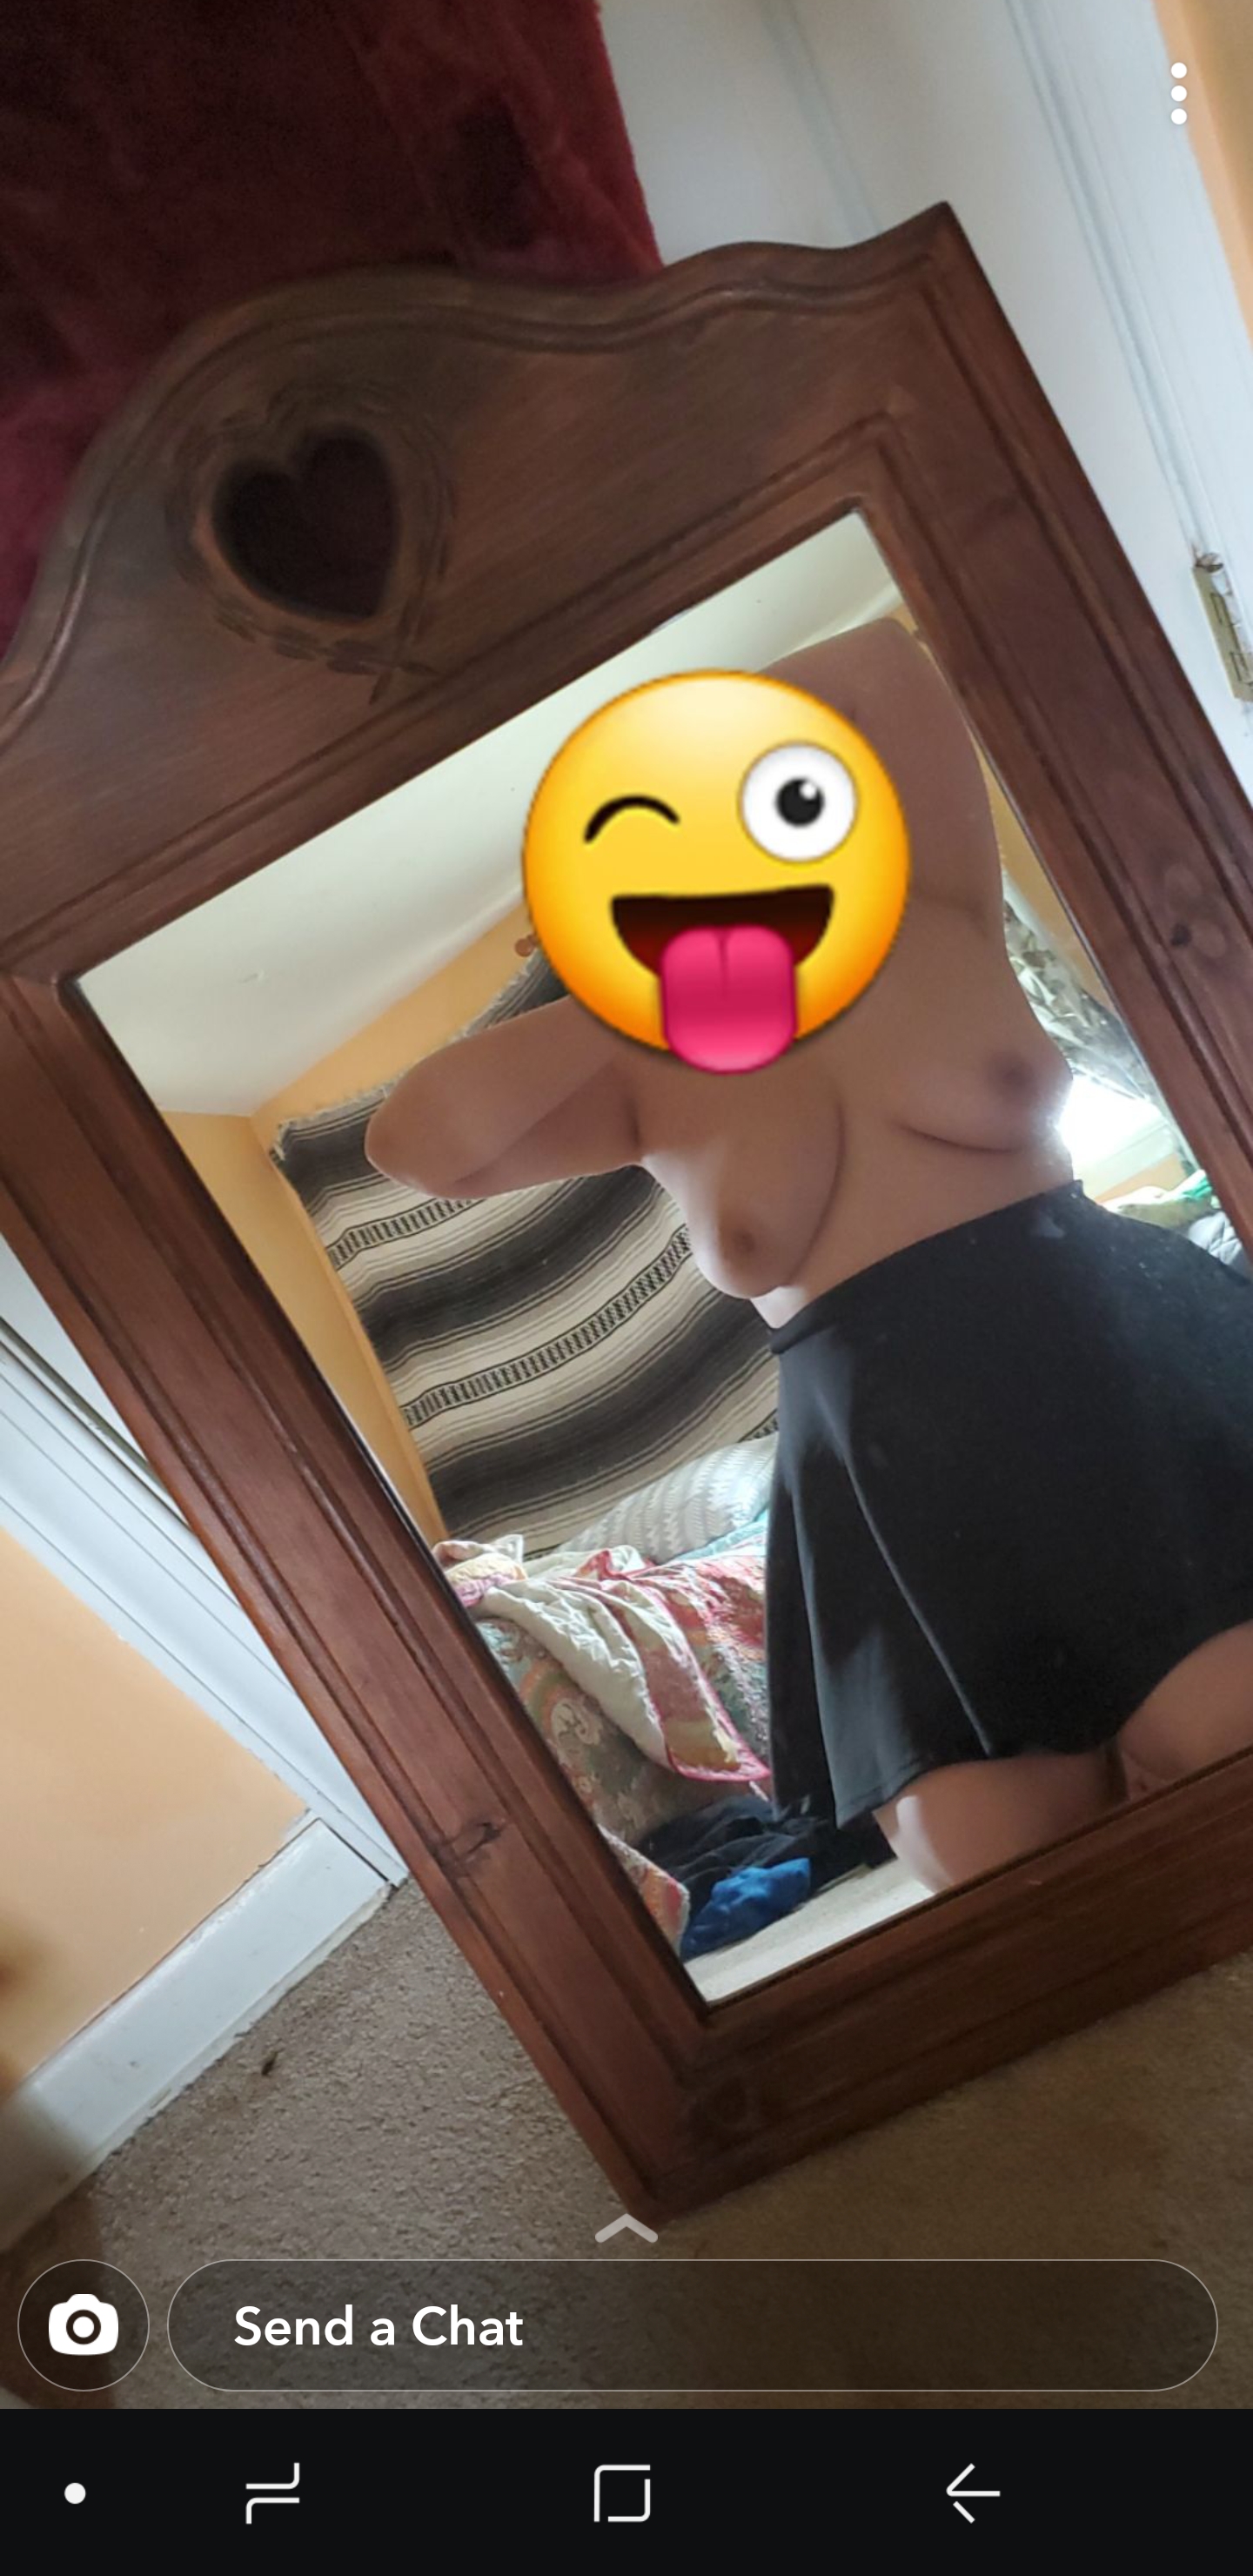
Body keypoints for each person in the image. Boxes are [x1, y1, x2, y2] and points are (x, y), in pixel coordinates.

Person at [366, 620, 1253, 1892]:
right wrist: (642, 982)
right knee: (995, 1873)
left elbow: (887, 664)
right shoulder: (644, 1064)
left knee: (1224, 1736)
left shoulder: (923, 901)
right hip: (894, 1472)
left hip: (1113, 1375)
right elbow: (414, 1143)